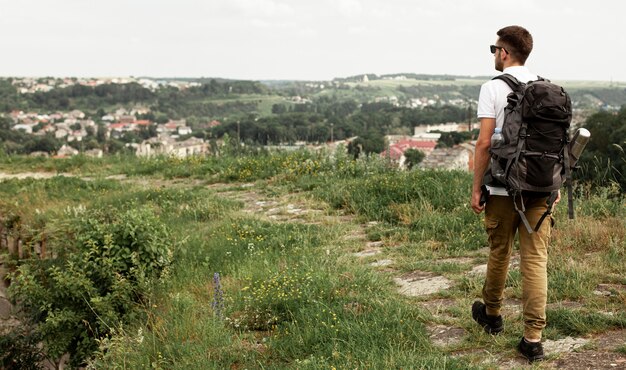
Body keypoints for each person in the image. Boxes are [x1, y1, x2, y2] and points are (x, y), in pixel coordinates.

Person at [470, 25, 559, 363]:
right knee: (536, 260)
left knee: (500, 252)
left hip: (503, 188)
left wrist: (477, 187)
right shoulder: (546, 87)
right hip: (541, 188)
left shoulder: (492, 88)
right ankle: (533, 338)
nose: (494, 54)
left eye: (495, 49)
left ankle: (492, 316)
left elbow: (483, 143)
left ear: (504, 52)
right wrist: (555, 185)